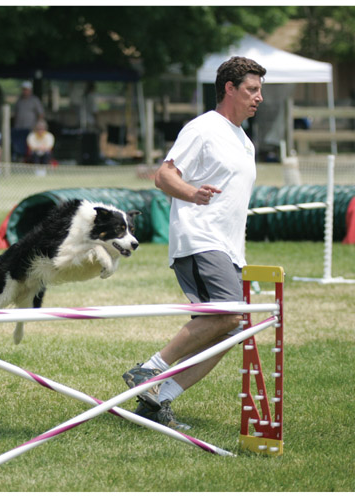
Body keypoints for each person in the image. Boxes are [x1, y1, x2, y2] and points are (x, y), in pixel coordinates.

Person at [121, 56, 266, 430]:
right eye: (252, 90)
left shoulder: (244, 141)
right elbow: (163, 175)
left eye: (260, 91)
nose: (259, 98)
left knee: (231, 329)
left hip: (227, 247)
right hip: (200, 239)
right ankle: (149, 370)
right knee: (232, 315)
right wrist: (192, 193)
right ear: (229, 89)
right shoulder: (203, 128)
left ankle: (158, 399)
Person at [12, 81, 44, 161]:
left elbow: (40, 114)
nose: (24, 91)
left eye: (26, 89)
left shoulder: (34, 100)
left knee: (28, 147)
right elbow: (15, 113)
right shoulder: (19, 100)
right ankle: (19, 159)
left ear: (30, 90)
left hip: (30, 128)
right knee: (18, 146)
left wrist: (37, 126)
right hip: (19, 127)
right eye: (23, 89)